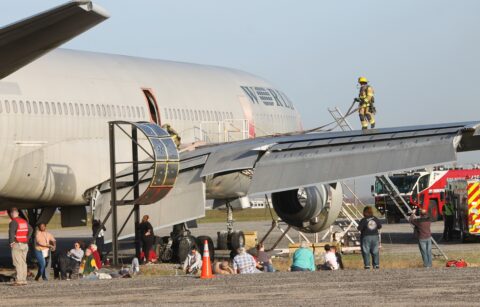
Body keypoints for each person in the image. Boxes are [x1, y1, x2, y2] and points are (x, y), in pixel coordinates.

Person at [8, 208, 33, 286]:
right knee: (23, 262)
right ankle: (23, 280)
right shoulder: (24, 221)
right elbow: (31, 229)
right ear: (18, 213)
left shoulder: (13, 222)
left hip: (17, 244)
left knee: (17, 262)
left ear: (12, 214)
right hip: (25, 244)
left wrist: (11, 242)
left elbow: (11, 233)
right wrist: (27, 238)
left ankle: (19, 280)